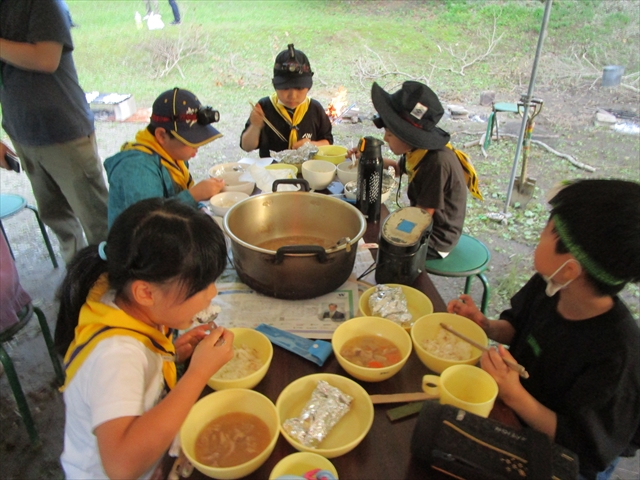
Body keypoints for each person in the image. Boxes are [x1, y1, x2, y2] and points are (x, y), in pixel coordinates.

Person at [447, 179, 640, 480]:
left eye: (547, 232)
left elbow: (582, 446)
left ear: (571, 268)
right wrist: (484, 325)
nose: (538, 236)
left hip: (561, 458)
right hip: (514, 415)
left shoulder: (618, 355)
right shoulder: (551, 284)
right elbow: (518, 327)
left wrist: (513, 394)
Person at [55, 197, 234, 479]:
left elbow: (136, 375)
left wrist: (172, 354)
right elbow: (121, 466)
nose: (212, 293)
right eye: (201, 286)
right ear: (146, 293)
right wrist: (198, 373)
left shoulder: (125, 304)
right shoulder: (116, 356)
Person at [0, 0, 109, 264]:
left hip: (64, 132)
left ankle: (116, 284)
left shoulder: (43, 4)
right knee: (57, 218)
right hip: (22, 132)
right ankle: (78, 279)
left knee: (97, 220)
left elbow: (46, 58)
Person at [368, 81, 482, 258]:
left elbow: (422, 215)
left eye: (390, 134)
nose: (385, 138)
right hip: (423, 221)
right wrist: (369, 158)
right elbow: (398, 169)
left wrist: (392, 233)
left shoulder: (435, 163)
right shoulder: (416, 151)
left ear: (408, 137)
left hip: (436, 237)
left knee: (380, 248)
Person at [103, 87, 224, 229]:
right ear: (161, 135)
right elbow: (148, 226)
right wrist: (193, 196)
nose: (197, 145)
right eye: (189, 140)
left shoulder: (172, 153)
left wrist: (200, 207)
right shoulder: (137, 170)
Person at [241, 44, 333, 158]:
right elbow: (247, 147)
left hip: (307, 171)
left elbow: (328, 142)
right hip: (273, 172)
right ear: (275, 85)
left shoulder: (315, 108)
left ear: (309, 86)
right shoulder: (265, 107)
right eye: (285, 88)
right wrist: (255, 126)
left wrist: (311, 145)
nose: (292, 96)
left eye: (299, 88)